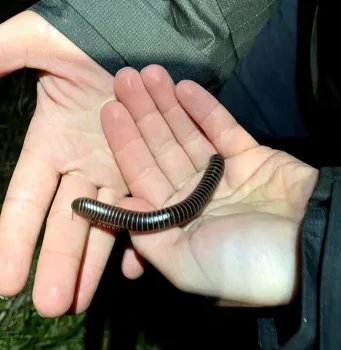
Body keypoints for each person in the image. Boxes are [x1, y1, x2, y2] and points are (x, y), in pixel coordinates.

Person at [0, 0, 339, 348]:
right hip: (309, 37)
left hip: (306, 119)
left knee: (222, 145)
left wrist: (319, 247)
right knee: (222, 134)